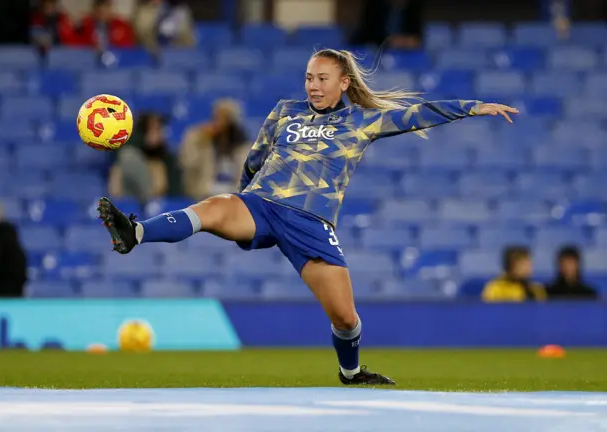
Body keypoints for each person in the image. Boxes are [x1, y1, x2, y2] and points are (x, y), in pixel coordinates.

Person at [97, 48, 518, 385]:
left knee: (345, 318)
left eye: (322, 79)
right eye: (309, 78)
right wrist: (243, 197)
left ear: (344, 83)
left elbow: (416, 115)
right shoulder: (285, 111)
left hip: (310, 222)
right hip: (262, 204)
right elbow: (256, 159)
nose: (313, 86)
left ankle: (351, 373)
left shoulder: (362, 120)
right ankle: (135, 231)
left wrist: (473, 106)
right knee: (213, 207)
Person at [179, 98, 250, 200]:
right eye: (217, 117)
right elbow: (188, 163)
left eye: (225, 118)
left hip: (234, 197)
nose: (220, 122)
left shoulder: (242, 148)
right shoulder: (203, 142)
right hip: (205, 195)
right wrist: (198, 138)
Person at [481, 246, 547, 302]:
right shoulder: (495, 289)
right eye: (523, 264)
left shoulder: (536, 289)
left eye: (529, 264)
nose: (529, 268)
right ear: (511, 266)